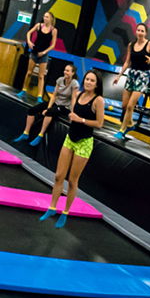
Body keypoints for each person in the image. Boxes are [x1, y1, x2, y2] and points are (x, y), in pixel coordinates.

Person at [39, 69, 104, 227]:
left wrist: (80, 119)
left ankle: (65, 212)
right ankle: (52, 207)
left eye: (92, 80)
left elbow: (99, 124)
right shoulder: (80, 95)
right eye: (87, 79)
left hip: (84, 142)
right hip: (70, 138)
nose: (88, 82)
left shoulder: (98, 100)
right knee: (58, 176)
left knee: (72, 181)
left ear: (97, 84)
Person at [14, 62, 79, 147]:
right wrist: (48, 107)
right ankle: (26, 133)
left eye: (67, 71)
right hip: (56, 103)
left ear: (72, 73)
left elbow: (74, 99)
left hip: (65, 107)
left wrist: (72, 113)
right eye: (65, 70)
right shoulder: (60, 80)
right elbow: (54, 95)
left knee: (50, 112)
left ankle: (40, 135)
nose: (65, 72)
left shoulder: (74, 83)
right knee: (32, 110)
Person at [115, 22, 150, 138]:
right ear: (135, 32)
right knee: (125, 106)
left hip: (143, 76)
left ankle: (122, 130)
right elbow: (127, 62)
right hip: (132, 74)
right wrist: (119, 75)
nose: (140, 33)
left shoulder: (149, 44)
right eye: (138, 30)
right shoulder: (131, 45)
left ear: (146, 33)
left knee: (131, 106)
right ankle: (130, 124)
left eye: (142, 31)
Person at [20, 12, 58, 99]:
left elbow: (53, 45)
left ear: (51, 19)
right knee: (29, 72)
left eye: (47, 17)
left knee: (41, 76)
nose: (45, 18)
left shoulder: (53, 30)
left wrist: (44, 52)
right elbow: (29, 33)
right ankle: (23, 90)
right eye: (44, 16)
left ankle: (39, 96)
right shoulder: (39, 26)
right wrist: (29, 42)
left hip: (43, 55)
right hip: (34, 52)